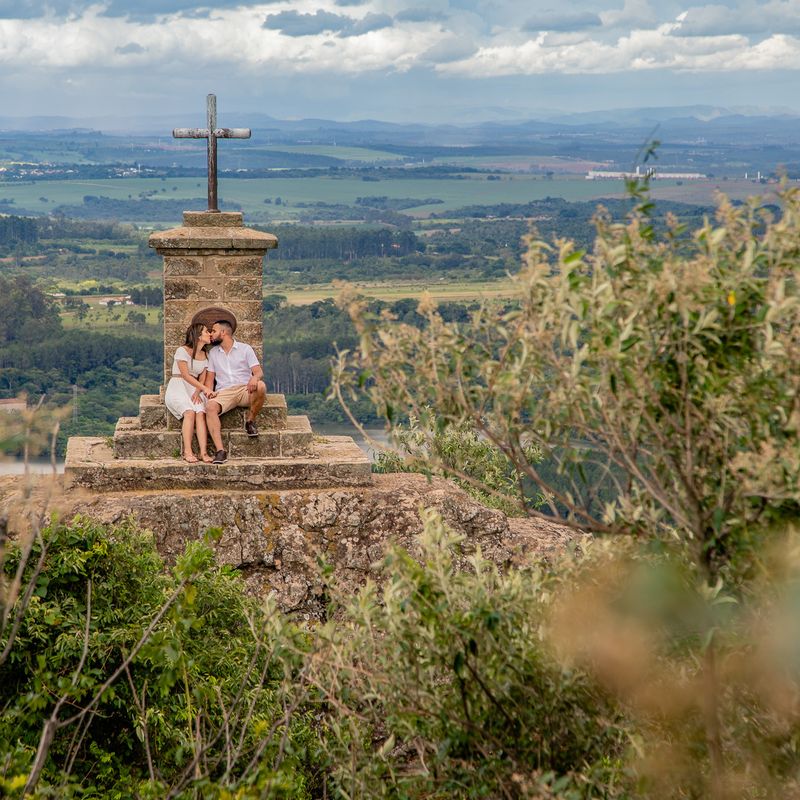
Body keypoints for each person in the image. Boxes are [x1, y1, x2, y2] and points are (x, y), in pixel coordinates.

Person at [204, 318, 266, 464]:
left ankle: (250, 421)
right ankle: (220, 451)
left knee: (261, 386)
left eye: (214, 331)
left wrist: (254, 378)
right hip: (224, 392)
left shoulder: (245, 349)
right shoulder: (213, 353)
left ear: (224, 332)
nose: (211, 334)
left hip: (245, 389)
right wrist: (208, 393)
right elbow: (210, 378)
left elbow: (258, 372)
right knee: (210, 407)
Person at [164, 323, 215, 463]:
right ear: (198, 335)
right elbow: (185, 375)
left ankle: (203, 452)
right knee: (189, 412)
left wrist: (199, 391)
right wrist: (205, 389)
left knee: (200, 413)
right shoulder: (182, 351)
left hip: (194, 387)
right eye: (206, 331)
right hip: (178, 385)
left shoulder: (205, 354)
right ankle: (188, 451)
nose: (209, 334)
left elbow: (202, 377)